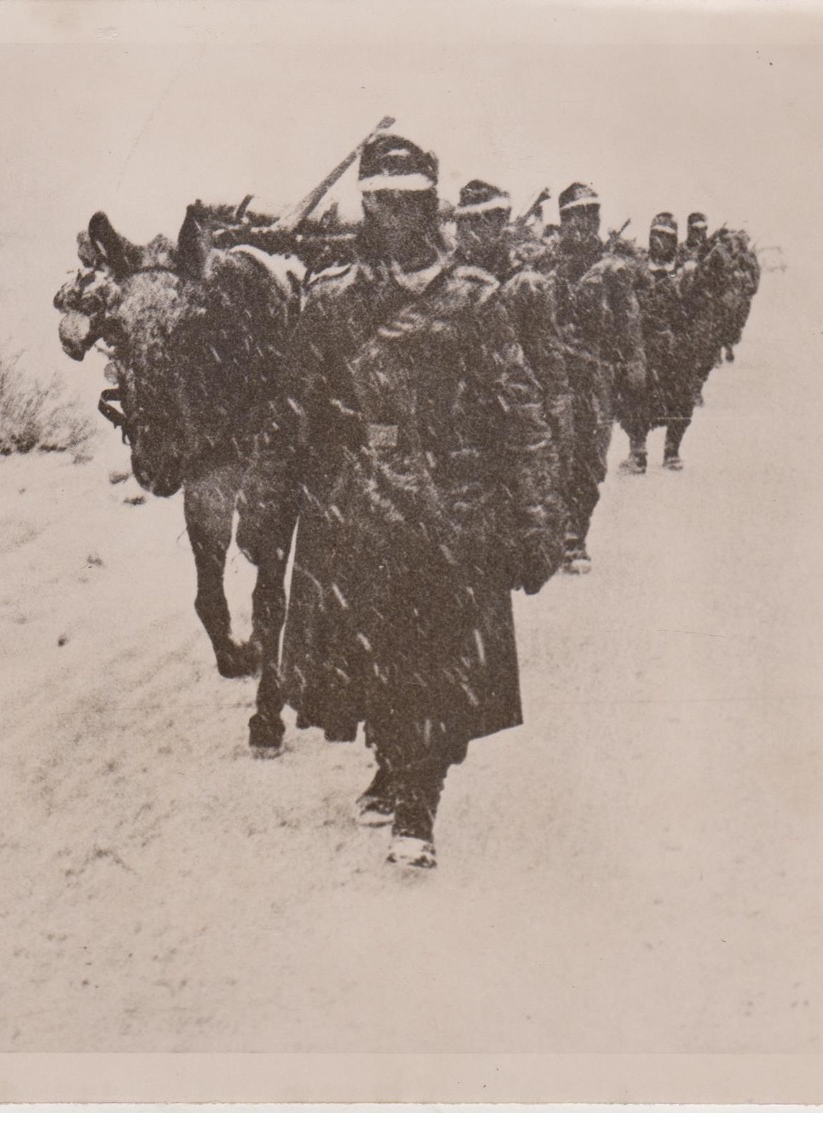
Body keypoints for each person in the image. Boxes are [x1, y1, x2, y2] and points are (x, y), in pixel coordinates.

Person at [237, 136, 564, 869]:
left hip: (455, 510)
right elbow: (291, 413)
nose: (395, 216)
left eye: (410, 201)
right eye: (381, 201)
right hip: (357, 513)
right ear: (364, 209)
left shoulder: (476, 301)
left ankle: (418, 800)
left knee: (440, 663)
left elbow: (522, 415)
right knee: (371, 661)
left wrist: (538, 517)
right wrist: (263, 502)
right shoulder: (329, 305)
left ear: (432, 206)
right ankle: (393, 759)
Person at [454, 180, 574, 502]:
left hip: (516, 416)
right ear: (460, 224)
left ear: (502, 222)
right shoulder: (443, 282)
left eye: (491, 219)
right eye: (472, 220)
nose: (482, 229)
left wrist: (558, 414)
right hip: (458, 424)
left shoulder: (525, 285)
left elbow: (547, 357)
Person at [548, 182, 645, 573]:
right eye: (576, 216)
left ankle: (576, 535)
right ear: (564, 220)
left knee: (590, 461)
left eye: (591, 215)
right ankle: (557, 532)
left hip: (594, 376)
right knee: (553, 454)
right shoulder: (544, 265)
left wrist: (634, 360)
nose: (584, 224)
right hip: (551, 377)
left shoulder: (614, 271)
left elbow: (629, 319)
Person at [620, 212, 692, 472]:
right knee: (635, 393)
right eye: (656, 235)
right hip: (643, 342)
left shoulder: (685, 272)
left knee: (681, 396)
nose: (660, 242)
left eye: (666, 237)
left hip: (675, 343)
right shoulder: (637, 268)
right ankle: (637, 450)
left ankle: (672, 450)